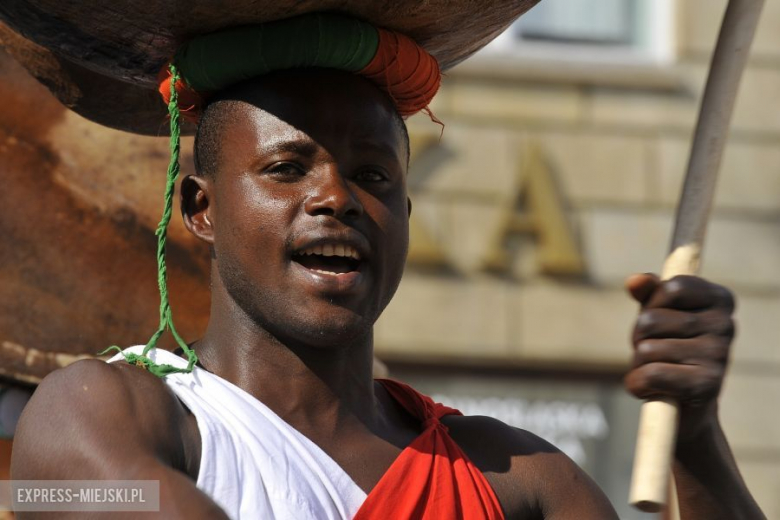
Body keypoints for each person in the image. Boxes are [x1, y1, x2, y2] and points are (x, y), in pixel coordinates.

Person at [11, 18, 765, 520]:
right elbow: (53, 495)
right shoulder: (96, 414)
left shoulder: (516, 478)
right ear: (201, 208)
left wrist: (693, 434)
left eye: (374, 178)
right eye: (286, 168)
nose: (335, 197)